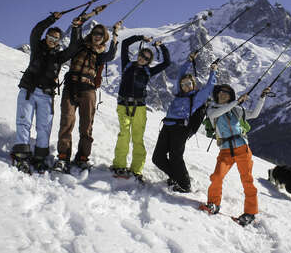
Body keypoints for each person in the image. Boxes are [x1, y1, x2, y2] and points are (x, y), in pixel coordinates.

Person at [11, 12, 80, 173]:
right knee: (24, 123)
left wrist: (76, 28)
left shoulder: (59, 56)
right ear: (47, 36)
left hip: (46, 95)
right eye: (50, 36)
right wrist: (52, 19)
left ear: (59, 41)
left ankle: (40, 157)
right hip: (28, 91)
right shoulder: (36, 47)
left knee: (44, 127)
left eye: (56, 38)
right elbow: (36, 30)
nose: (52, 40)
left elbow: (74, 48)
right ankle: (21, 155)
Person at [53, 20, 121, 173]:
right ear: (91, 34)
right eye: (95, 33)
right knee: (66, 122)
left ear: (104, 38)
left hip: (88, 90)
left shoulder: (101, 55)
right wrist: (76, 26)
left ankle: (83, 157)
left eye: (100, 34)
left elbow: (111, 55)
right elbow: (74, 39)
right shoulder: (79, 47)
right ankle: (63, 156)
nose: (97, 36)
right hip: (71, 86)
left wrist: (116, 33)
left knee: (86, 125)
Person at [200, 84, 271, 226]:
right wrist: (236, 102)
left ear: (230, 96)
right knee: (217, 177)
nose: (223, 94)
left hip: (242, 149)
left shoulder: (236, 109)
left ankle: (250, 213)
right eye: (220, 92)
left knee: (247, 181)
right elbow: (216, 114)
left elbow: (254, 114)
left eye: (226, 93)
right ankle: (213, 204)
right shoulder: (212, 109)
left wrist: (262, 98)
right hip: (225, 151)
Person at [152, 52, 217, 193]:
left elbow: (209, 86)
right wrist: (189, 60)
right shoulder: (178, 93)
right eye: (183, 84)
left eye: (188, 84)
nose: (185, 86)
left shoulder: (197, 97)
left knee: (176, 157)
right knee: (157, 157)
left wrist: (213, 71)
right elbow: (181, 73)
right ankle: (177, 177)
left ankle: (185, 184)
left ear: (193, 85)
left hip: (180, 129)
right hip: (167, 126)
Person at [110, 34, 171, 181]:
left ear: (149, 61)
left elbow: (167, 62)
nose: (142, 58)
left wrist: (161, 46)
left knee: (138, 138)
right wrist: (141, 38)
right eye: (142, 55)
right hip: (123, 105)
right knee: (124, 134)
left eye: (146, 58)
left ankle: (136, 169)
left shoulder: (149, 71)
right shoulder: (127, 64)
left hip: (139, 107)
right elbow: (125, 43)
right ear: (139, 55)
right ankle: (119, 165)